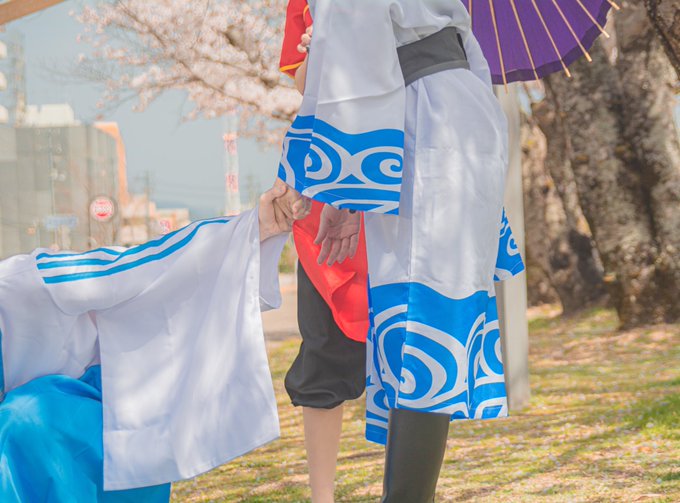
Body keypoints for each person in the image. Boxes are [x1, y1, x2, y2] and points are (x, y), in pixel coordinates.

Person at [277, 1, 525, 501]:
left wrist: (343, 192)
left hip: (418, 117)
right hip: (460, 110)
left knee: (418, 319)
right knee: (432, 313)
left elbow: (356, 59)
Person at [0, 184, 303, 501]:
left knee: (24, 416)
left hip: (106, 413)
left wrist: (256, 227)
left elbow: (143, 265)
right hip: (44, 437)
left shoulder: (25, 284)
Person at [276, 2, 370, 502]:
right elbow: (303, 84)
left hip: (404, 165)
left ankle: (406, 488)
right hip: (328, 170)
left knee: (407, 340)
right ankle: (322, 496)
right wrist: (324, 51)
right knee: (325, 344)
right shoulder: (306, 3)